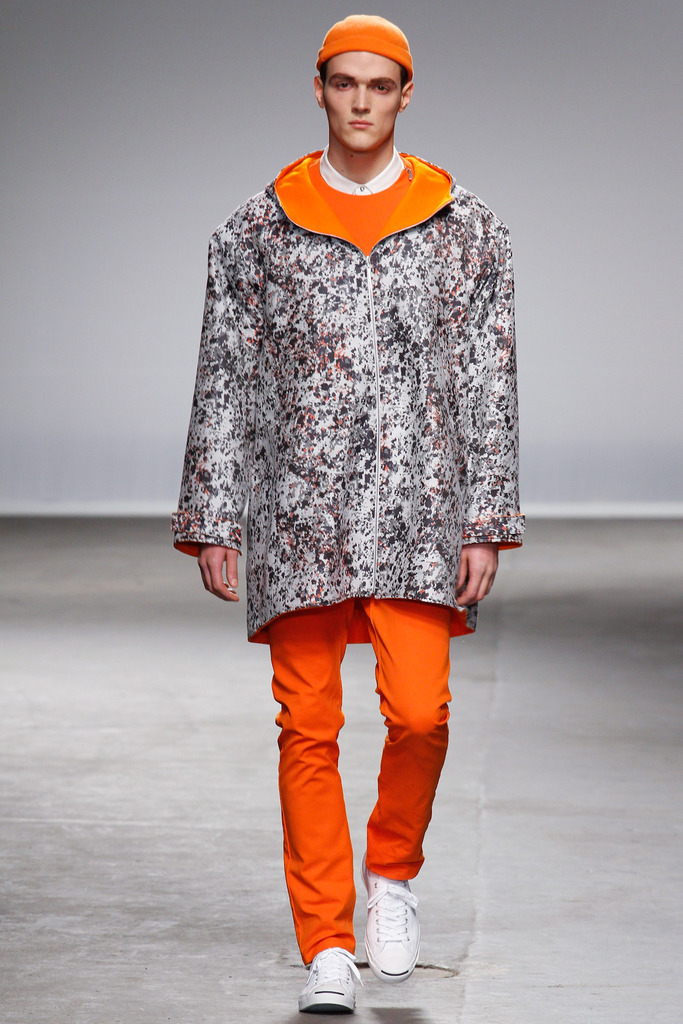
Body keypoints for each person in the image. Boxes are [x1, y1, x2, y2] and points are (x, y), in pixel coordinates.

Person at [172, 14, 524, 1015]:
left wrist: (484, 518)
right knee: (307, 726)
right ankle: (325, 943)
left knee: (420, 712)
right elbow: (225, 375)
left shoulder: (465, 227)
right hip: (298, 509)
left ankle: (392, 876)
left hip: (419, 509)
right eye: (343, 83)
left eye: (379, 84)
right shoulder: (255, 228)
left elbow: (487, 380)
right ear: (318, 88)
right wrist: (212, 513)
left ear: (406, 93)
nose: (361, 101)